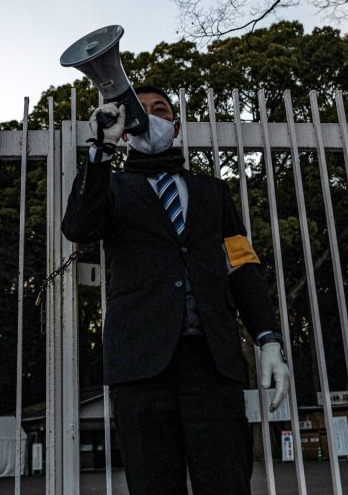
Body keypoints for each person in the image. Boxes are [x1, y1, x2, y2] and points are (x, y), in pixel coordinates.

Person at [62, 86, 290, 495]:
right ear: (127, 130)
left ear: (176, 125)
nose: (150, 117)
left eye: (160, 110)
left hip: (212, 362)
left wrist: (268, 339)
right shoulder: (111, 187)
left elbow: (241, 264)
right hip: (141, 365)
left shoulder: (211, 191)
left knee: (226, 483)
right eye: (140, 112)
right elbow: (78, 227)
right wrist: (100, 150)